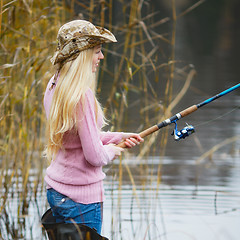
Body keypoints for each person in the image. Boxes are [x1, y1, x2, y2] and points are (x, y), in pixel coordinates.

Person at [43, 20, 143, 235]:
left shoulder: (54, 85)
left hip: (56, 191)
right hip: (82, 199)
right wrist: (114, 150)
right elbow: (95, 157)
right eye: (97, 51)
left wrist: (118, 137)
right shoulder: (81, 96)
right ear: (81, 55)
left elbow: (78, 139)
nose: (101, 56)